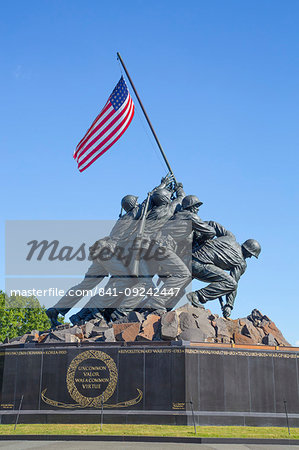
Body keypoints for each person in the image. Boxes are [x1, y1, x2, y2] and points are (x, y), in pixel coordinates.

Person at [46, 176, 174, 327]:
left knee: (86, 285)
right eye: (137, 203)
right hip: (109, 252)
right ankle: (96, 309)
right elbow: (150, 201)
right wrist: (163, 185)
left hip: (101, 250)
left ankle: (57, 309)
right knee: (127, 279)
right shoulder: (133, 215)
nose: (139, 204)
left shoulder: (124, 217)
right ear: (133, 205)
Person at [187, 221, 261, 318]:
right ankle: (197, 296)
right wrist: (229, 305)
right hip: (198, 266)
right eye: (251, 255)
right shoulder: (241, 263)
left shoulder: (230, 237)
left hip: (188, 257)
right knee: (231, 283)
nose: (250, 257)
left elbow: (212, 224)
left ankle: (163, 306)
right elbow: (233, 284)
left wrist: (200, 238)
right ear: (248, 251)